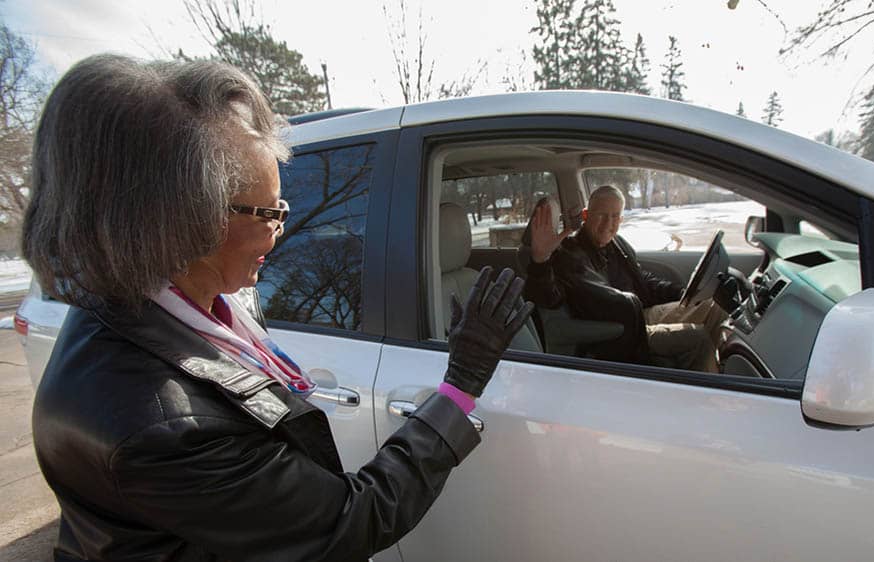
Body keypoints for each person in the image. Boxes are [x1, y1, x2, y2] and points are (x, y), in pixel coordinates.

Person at [22, 54, 533, 562]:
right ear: (177, 220)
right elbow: (350, 522)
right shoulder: (165, 427)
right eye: (268, 212)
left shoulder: (169, 298)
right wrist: (461, 384)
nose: (284, 228)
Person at [524, 186, 720, 371]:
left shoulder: (617, 244)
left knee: (713, 306)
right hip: (619, 330)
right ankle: (712, 396)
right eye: (601, 215)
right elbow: (547, 297)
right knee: (698, 338)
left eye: (615, 216)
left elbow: (641, 281)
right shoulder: (568, 253)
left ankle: (715, 368)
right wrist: (540, 261)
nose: (608, 224)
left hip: (638, 314)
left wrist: (682, 293)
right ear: (585, 215)